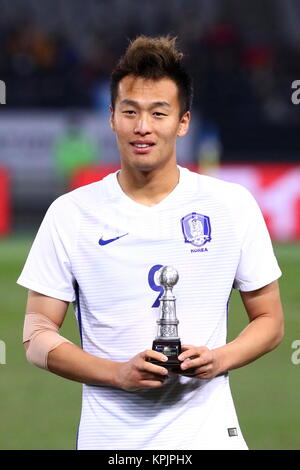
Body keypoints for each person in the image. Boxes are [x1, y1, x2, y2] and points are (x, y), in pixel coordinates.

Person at [17, 35, 284, 450]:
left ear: (183, 122)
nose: (143, 127)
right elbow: (36, 336)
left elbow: (270, 320)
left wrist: (221, 359)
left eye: (159, 113)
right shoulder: (71, 214)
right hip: (110, 442)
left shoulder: (231, 206)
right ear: (111, 118)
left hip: (208, 438)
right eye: (130, 112)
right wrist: (116, 373)